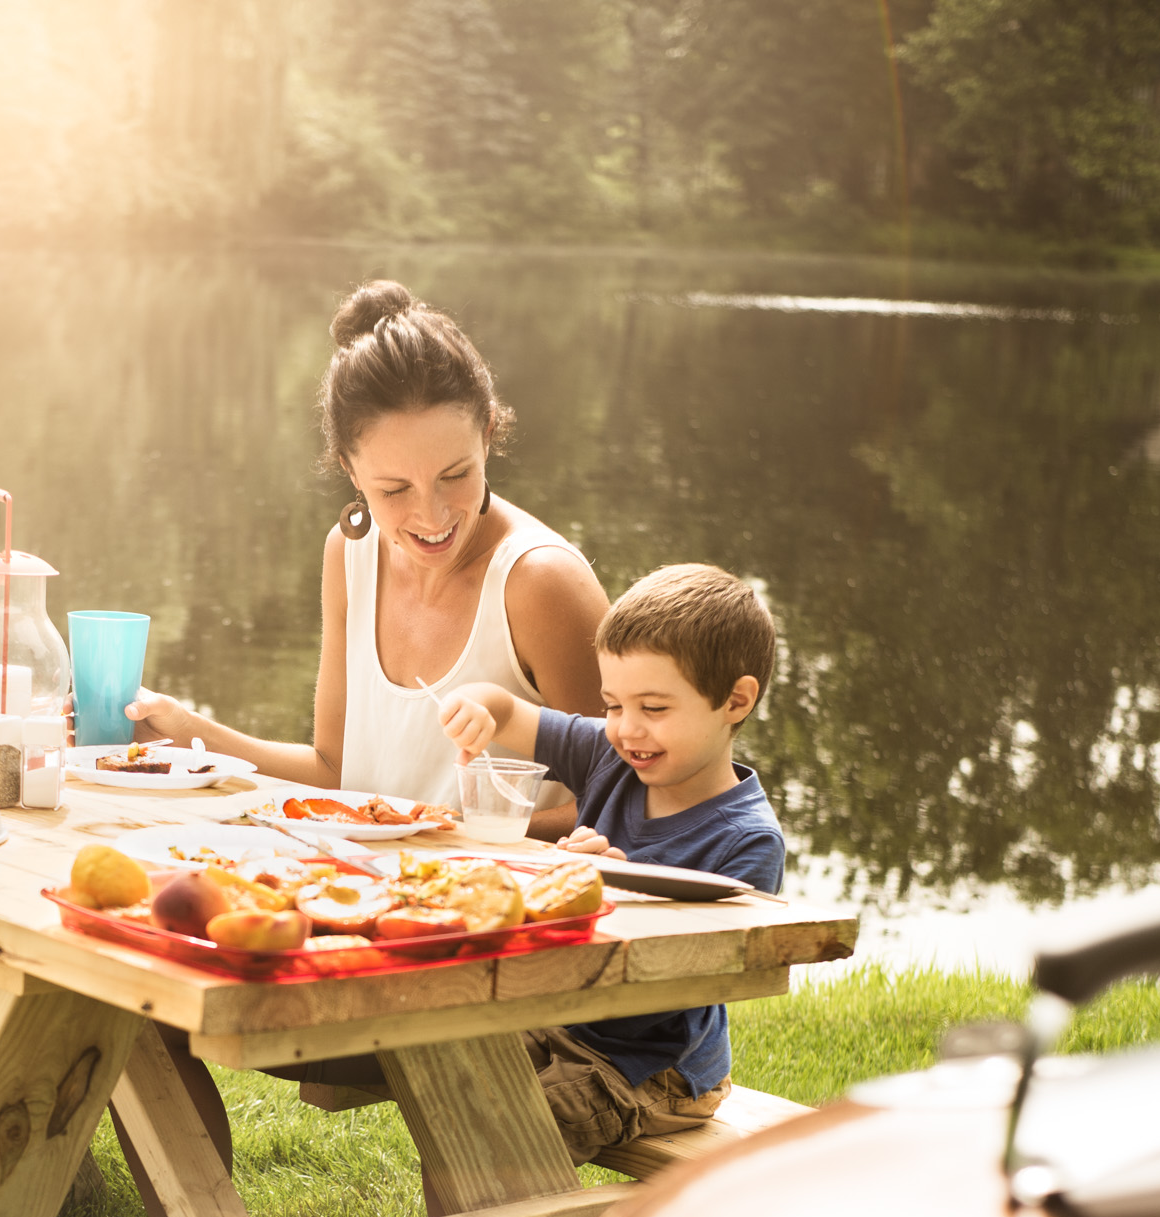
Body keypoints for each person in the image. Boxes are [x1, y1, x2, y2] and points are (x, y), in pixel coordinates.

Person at [123, 281, 609, 834]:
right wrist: (185, 731)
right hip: (360, 886)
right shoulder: (350, 553)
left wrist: (449, 828)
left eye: (455, 476)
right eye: (394, 490)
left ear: (489, 434)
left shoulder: (541, 584)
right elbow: (336, 774)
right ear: (350, 471)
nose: (432, 516)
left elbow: (623, 799)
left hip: (496, 902)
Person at [437, 563, 789, 1164]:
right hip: (567, 1021)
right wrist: (478, 706)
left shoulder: (747, 843)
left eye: (653, 707)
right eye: (612, 704)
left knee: (498, 1131)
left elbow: (684, 986)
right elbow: (509, 710)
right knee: (441, 1062)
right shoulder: (609, 755)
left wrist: (613, 896)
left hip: (651, 1068)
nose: (627, 729)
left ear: (734, 700)